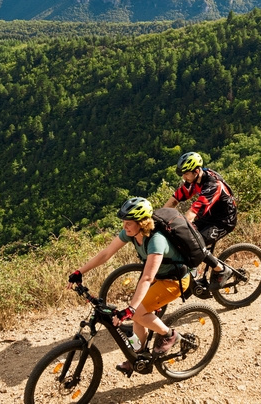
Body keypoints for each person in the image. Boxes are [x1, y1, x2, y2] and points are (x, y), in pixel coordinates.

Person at [68, 196, 191, 375]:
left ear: (142, 223)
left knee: (138, 312)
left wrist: (131, 309)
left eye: (128, 223)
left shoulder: (157, 240)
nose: (124, 226)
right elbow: (106, 253)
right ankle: (138, 356)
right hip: (159, 277)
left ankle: (169, 335)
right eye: (124, 222)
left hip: (173, 281)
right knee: (137, 315)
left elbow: (147, 278)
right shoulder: (131, 233)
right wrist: (80, 271)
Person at [164, 151, 238, 290]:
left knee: (196, 244)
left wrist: (179, 228)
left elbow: (193, 212)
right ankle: (194, 271)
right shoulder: (193, 180)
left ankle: (221, 269)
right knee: (184, 242)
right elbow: (175, 199)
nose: (184, 177)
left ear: (196, 171)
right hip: (208, 217)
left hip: (224, 221)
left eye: (186, 174)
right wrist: (159, 217)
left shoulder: (213, 185)